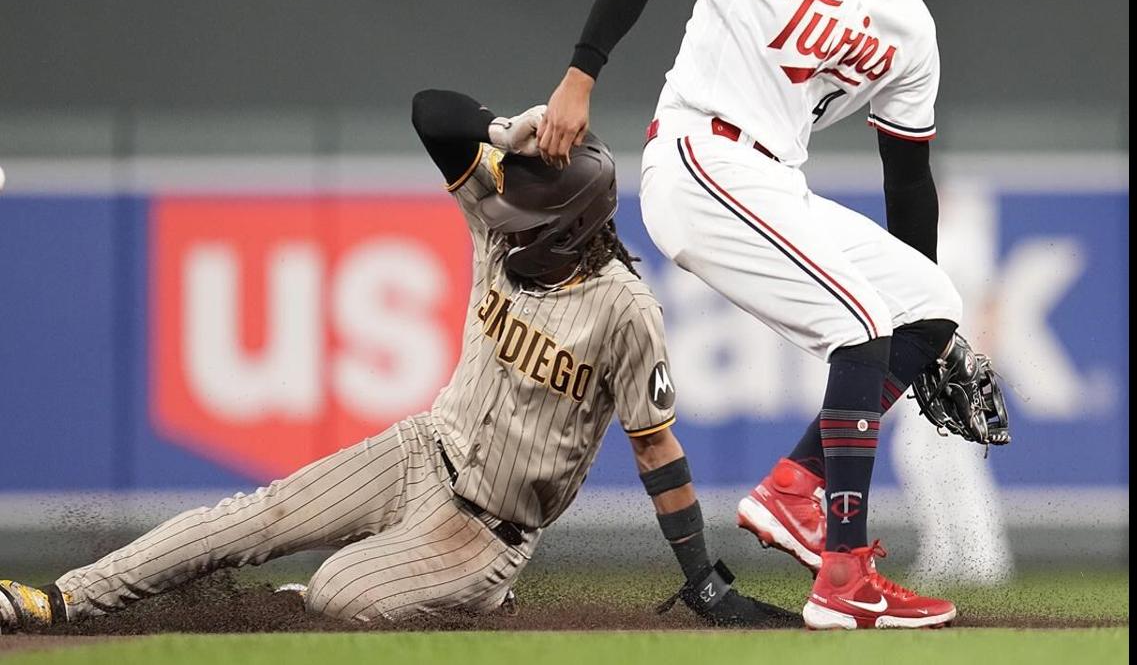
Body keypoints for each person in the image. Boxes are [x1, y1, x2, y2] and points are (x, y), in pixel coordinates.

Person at [0, 89, 795, 634]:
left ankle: (465, 602)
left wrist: (700, 574)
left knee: (340, 593)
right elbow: (432, 112)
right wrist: (506, 128)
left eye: (525, 214)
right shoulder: (498, 218)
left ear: (569, 225)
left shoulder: (625, 309)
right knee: (246, 518)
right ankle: (59, 601)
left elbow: (657, 446)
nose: (503, 220)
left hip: (486, 530)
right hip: (419, 449)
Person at [537, 0, 985, 629]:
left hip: (777, 179)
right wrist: (581, 74)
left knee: (929, 302)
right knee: (860, 323)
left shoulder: (911, 27)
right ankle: (842, 575)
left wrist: (922, 329)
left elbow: (907, 177)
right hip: (700, 154)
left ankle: (794, 490)